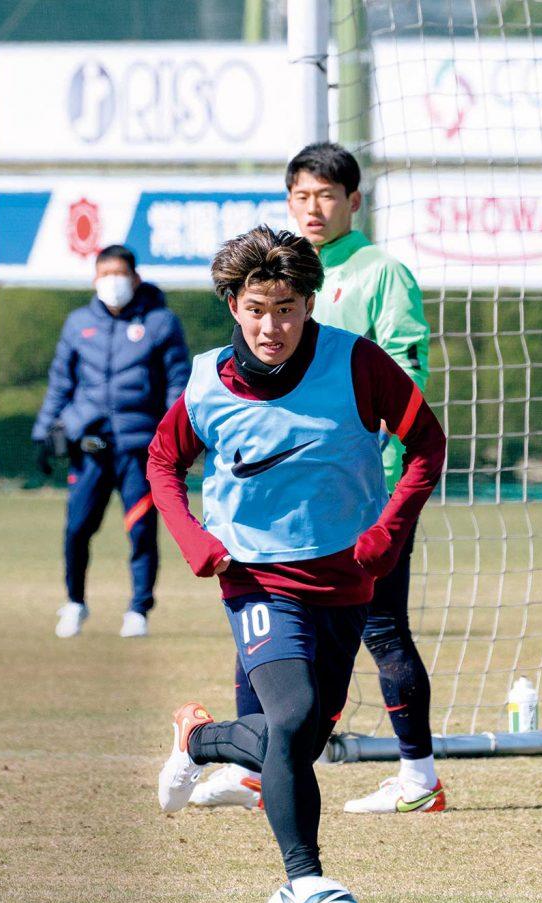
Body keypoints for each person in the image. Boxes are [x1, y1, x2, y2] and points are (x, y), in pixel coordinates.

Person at [150, 226, 444, 886]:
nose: (270, 327)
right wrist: (194, 539)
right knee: (288, 720)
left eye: (285, 309)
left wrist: (390, 529)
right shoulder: (205, 383)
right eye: (256, 310)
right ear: (233, 306)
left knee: (299, 740)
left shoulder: (357, 363)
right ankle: (305, 885)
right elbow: (163, 460)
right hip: (254, 578)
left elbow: (426, 444)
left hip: (345, 577)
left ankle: (196, 740)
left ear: (309, 303)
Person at [190, 143, 443, 814]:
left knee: (381, 628)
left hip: (365, 492)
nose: (313, 207)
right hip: (278, 503)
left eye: (326, 195)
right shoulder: (270, 270)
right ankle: (254, 769)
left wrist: (381, 462)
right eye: (301, 195)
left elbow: (404, 373)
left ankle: (417, 775)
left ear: (353, 201)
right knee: (264, 631)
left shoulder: (379, 272)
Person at [33, 244, 190, 639]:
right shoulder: (77, 324)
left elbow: (177, 382)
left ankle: (138, 609)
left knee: (140, 531)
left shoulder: (160, 323)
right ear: (94, 279)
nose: (112, 283)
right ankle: (74, 602)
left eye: (119, 274)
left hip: (138, 450)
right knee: (77, 529)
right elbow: (60, 382)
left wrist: (172, 434)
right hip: (88, 448)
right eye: (104, 275)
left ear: (135, 279)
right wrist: (44, 430)